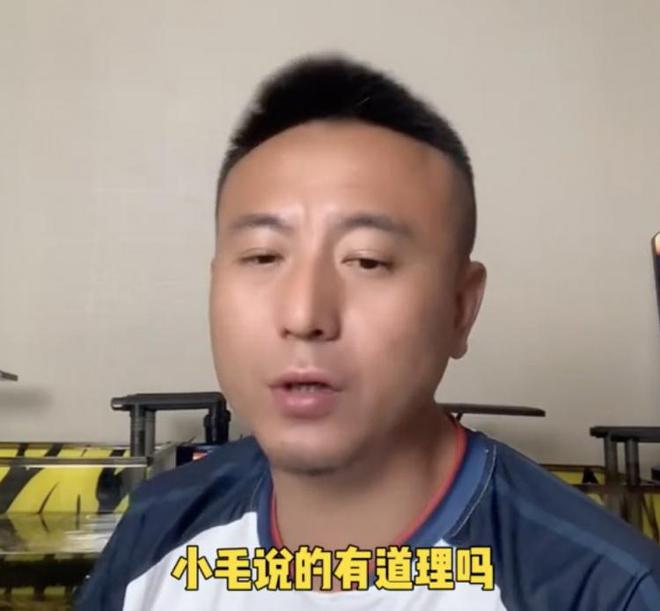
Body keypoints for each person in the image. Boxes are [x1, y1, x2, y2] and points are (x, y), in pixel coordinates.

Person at [76, 54, 660, 610]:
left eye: (367, 261)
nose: (304, 315)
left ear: (461, 308)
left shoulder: (604, 591)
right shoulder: (157, 530)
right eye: (262, 256)